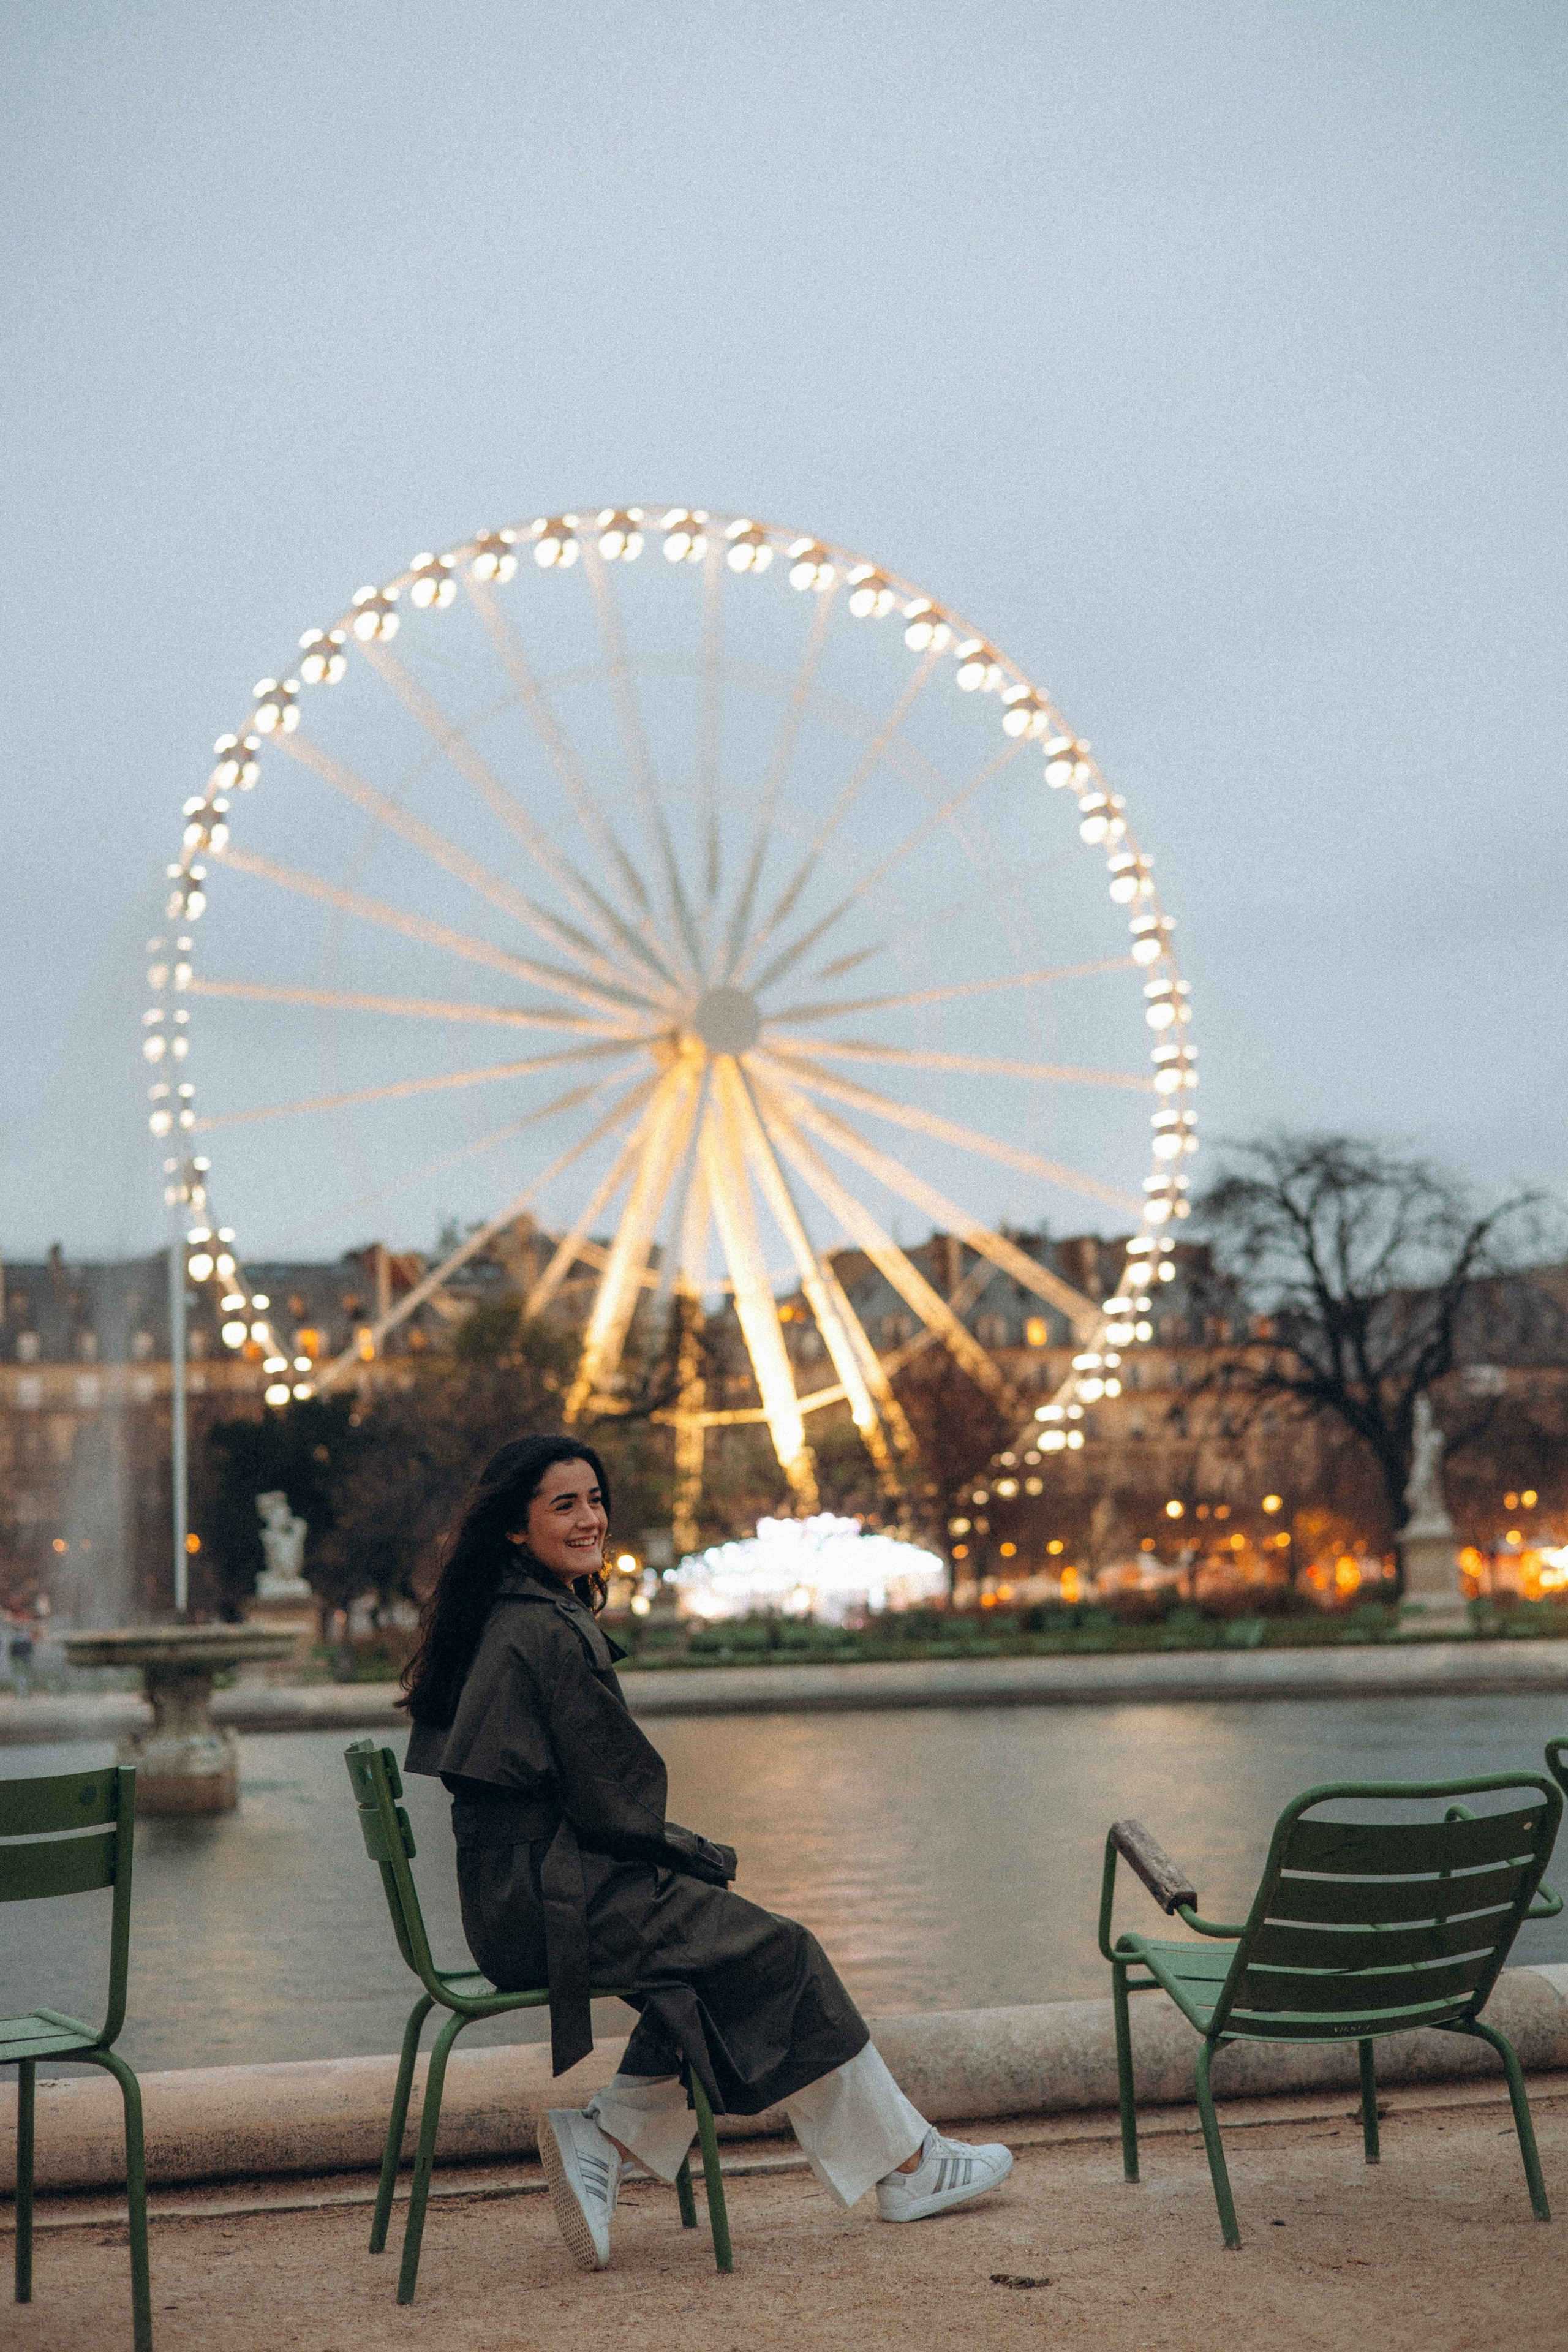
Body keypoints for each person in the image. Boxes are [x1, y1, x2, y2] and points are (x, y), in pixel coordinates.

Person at [402, 1433, 1011, 2272]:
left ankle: (611, 2139)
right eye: (564, 1505)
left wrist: (677, 1857)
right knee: (778, 1950)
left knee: (718, 1964)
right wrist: (700, 1853)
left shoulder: (494, 1616)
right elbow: (615, 1799)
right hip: (551, 1904)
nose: (591, 1519)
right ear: (516, 1527)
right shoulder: (548, 1631)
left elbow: (589, 1796)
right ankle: (908, 2167)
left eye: (595, 1499)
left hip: (514, 1894)